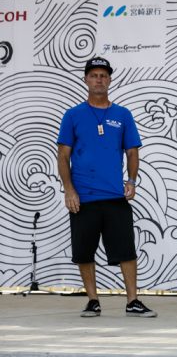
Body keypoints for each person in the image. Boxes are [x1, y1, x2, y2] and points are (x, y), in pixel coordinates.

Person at [57, 57, 156, 318]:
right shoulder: (73, 115)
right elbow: (62, 155)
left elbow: (132, 152)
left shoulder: (122, 114)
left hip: (114, 196)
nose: (99, 79)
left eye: (103, 75)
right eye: (94, 75)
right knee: (84, 252)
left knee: (126, 251)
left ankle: (133, 301)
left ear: (110, 80)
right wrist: (69, 189)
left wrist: (132, 181)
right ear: (86, 80)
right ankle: (93, 301)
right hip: (83, 198)